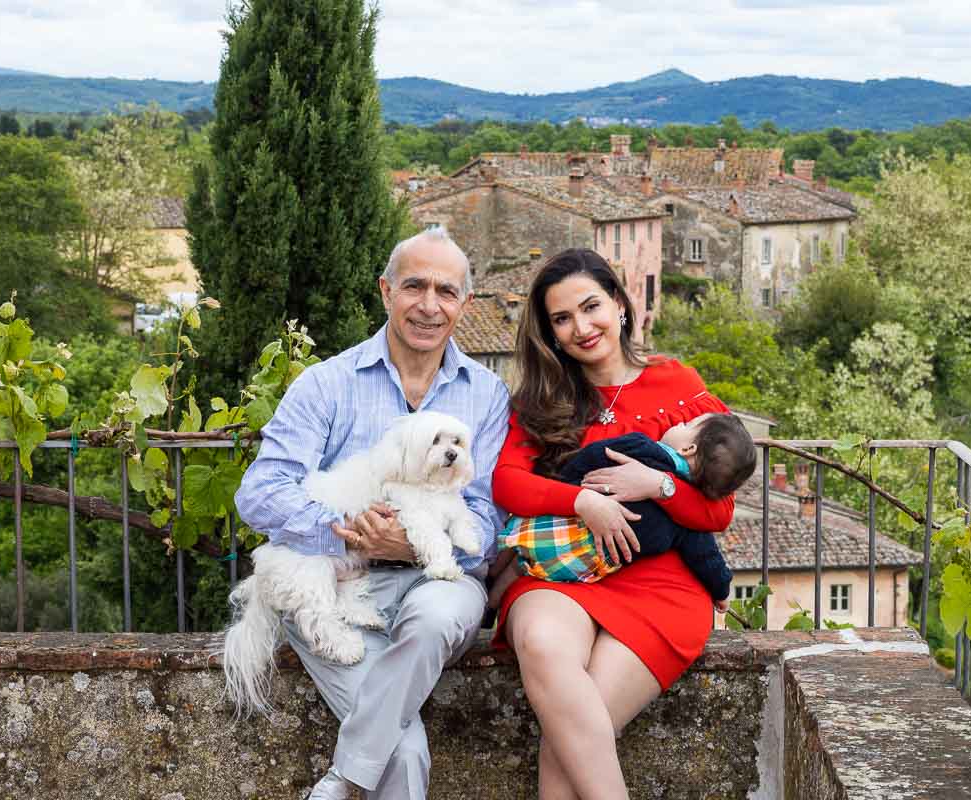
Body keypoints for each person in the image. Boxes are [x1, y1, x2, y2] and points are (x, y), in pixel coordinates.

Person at [234, 227, 509, 800]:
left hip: (435, 581)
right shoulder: (326, 384)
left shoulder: (486, 394)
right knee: (403, 752)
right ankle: (354, 773)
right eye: (414, 286)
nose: (429, 305)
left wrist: (409, 545)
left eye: (446, 291)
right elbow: (259, 491)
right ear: (386, 292)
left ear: (465, 304)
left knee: (437, 617)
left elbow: (485, 518)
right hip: (331, 589)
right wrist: (347, 536)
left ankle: (343, 777)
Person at [491, 248, 736, 799]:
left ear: (620, 306)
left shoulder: (679, 386)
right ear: (550, 333)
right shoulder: (542, 399)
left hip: (661, 585)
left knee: (568, 741)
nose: (581, 327)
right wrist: (584, 503)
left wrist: (660, 486)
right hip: (564, 574)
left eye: (591, 307)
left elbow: (720, 509)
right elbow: (506, 483)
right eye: (561, 319)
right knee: (540, 641)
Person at [489, 412, 757, 607]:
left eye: (686, 424)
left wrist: (566, 483)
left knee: (510, 544)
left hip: (557, 523)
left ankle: (484, 595)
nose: (679, 422)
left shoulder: (641, 448)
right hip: (577, 564)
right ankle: (492, 602)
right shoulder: (684, 519)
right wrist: (721, 591)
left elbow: (591, 457)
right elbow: (706, 556)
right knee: (520, 569)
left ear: (688, 448)